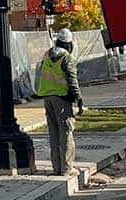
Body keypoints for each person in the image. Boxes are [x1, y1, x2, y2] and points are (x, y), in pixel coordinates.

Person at [37, 28, 84, 176]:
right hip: (62, 100)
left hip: (47, 99)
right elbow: (72, 79)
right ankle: (66, 169)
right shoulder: (66, 58)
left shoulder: (47, 54)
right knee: (66, 134)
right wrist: (79, 99)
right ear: (69, 44)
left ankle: (56, 167)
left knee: (54, 134)